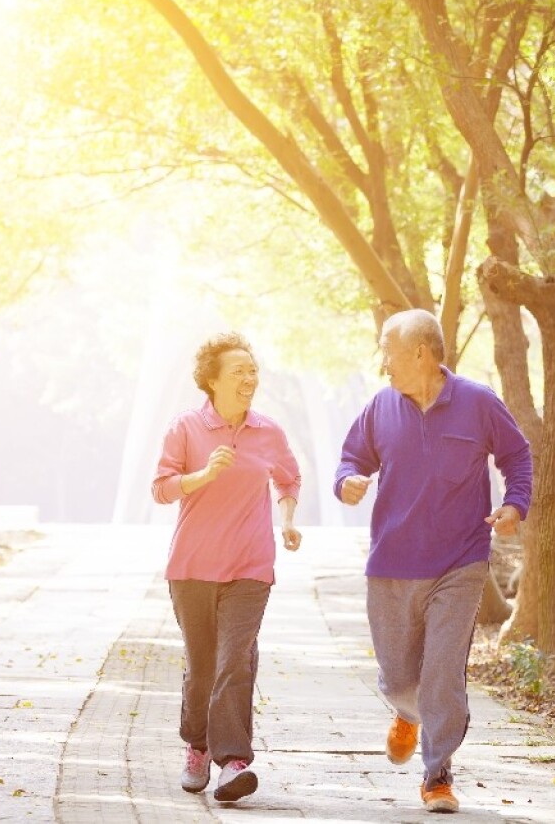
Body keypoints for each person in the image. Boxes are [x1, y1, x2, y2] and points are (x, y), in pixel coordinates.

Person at [334, 309, 532, 814]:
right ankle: (408, 711)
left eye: (389, 353)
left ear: (420, 352)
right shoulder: (381, 407)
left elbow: (517, 456)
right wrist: (348, 482)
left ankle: (437, 772)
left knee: (442, 671)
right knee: (399, 677)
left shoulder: (478, 403)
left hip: (459, 562)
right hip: (392, 563)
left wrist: (514, 505)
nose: (384, 365)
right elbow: (352, 459)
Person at [151, 331, 302, 803]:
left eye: (253, 371)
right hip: (192, 566)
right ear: (211, 381)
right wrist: (203, 475)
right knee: (202, 668)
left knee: (235, 661)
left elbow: (289, 479)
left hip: (250, 567)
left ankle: (233, 762)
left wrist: (288, 521)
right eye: (238, 371)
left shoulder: (269, 432)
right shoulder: (185, 428)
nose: (249, 379)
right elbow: (161, 487)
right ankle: (197, 745)